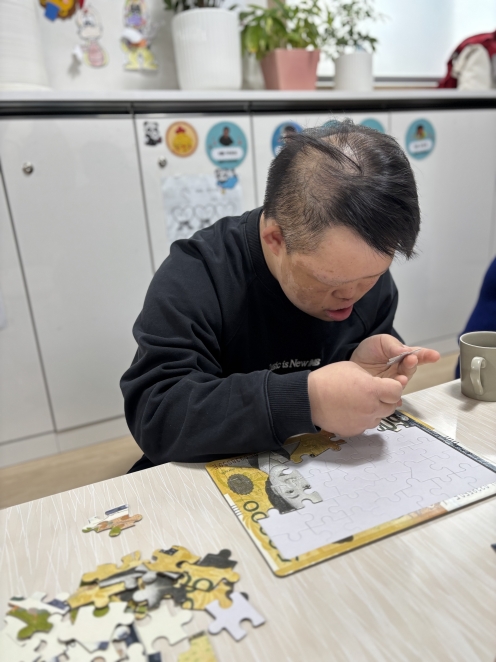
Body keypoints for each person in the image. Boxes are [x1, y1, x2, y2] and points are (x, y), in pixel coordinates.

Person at [121, 120, 440, 472]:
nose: (350, 297)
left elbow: (351, 389)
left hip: (323, 469)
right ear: (275, 239)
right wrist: (305, 400)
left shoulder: (359, 271)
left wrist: (363, 370)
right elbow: (158, 416)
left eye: (372, 277)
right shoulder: (199, 273)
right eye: (328, 280)